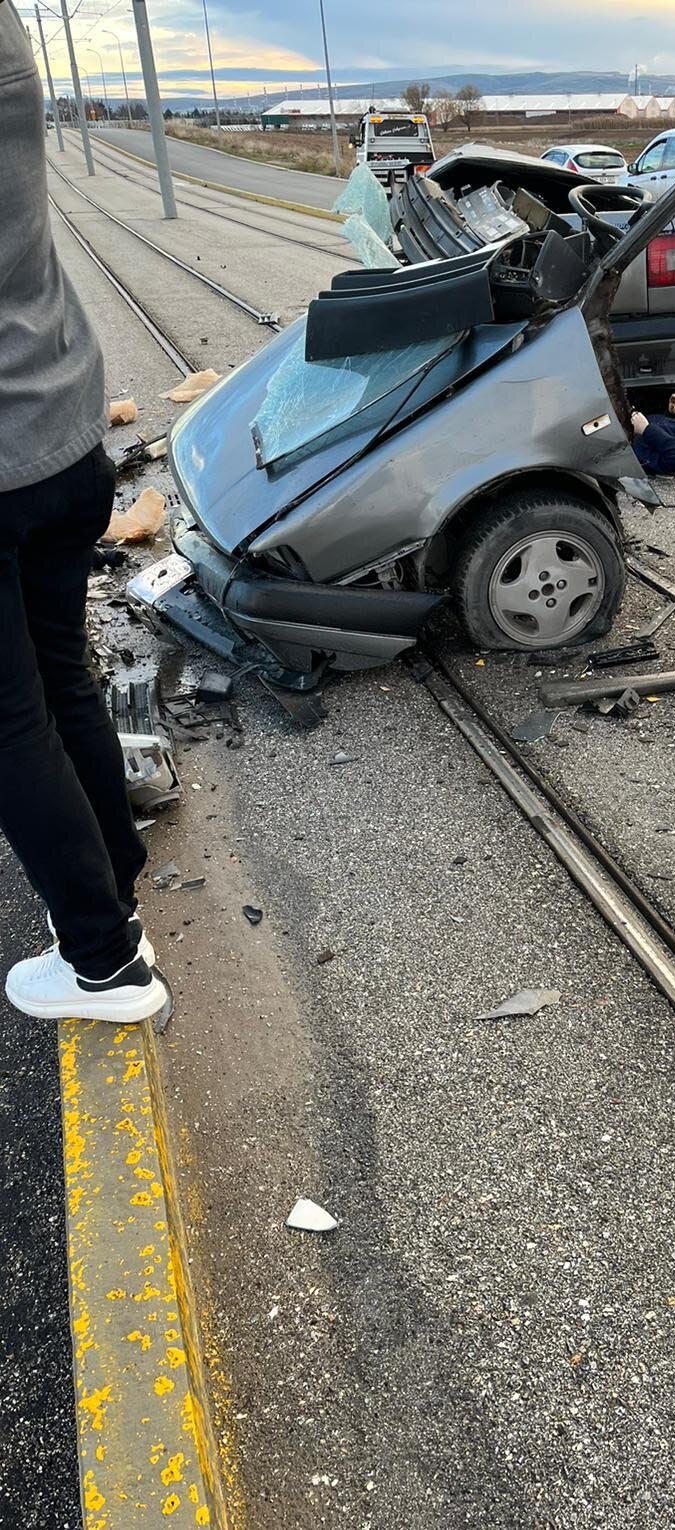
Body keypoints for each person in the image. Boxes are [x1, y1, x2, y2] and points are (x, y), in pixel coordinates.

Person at [0, 5, 164, 1023]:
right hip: (59, 420)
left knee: (12, 726)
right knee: (64, 684)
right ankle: (115, 905)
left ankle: (104, 967)